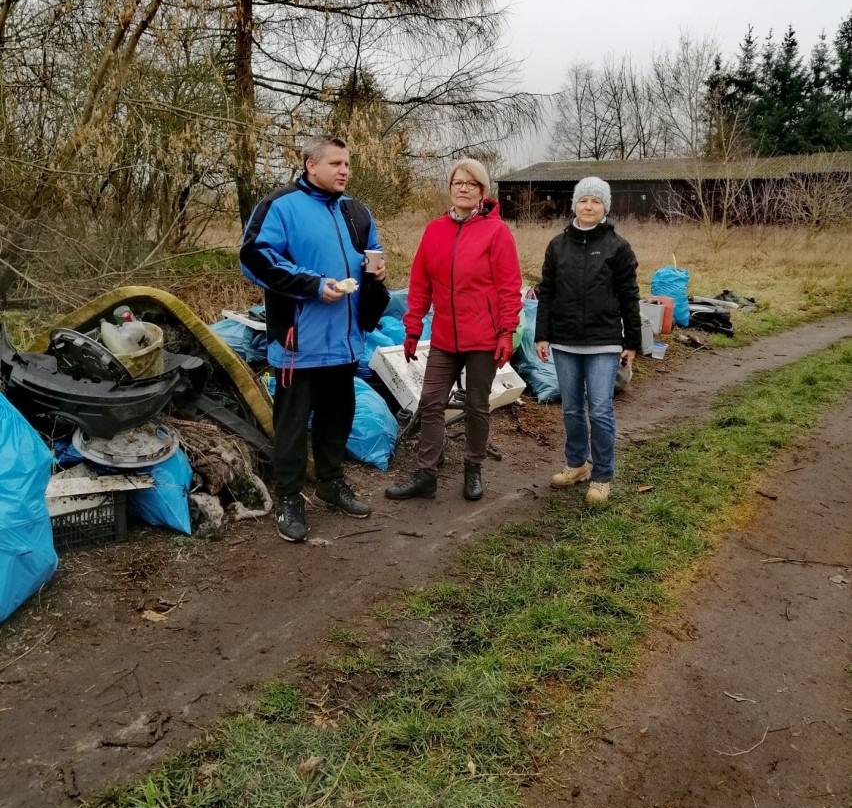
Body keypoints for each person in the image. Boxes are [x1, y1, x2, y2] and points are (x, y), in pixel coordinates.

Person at [240, 135, 386, 542]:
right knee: (291, 424)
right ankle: (289, 497)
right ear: (311, 165)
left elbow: (371, 251)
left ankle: (331, 482)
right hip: (297, 342)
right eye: (336, 163)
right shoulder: (280, 206)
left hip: (344, 339)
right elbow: (255, 258)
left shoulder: (356, 211)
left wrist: (375, 269)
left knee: (337, 417)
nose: (345, 171)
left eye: (348, 164)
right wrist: (313, 285)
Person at [385, 158, 522, 503]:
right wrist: (413, 327)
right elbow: (419, 284)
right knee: (431, 402)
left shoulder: (496, 232)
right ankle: (426, 474)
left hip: (482, 338)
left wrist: (506, 332)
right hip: (445, 336)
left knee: (477, 405)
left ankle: (473, 469)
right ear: (450, 188)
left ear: (482, 192)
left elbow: (509, 287)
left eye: (471, 184)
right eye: (457, 182)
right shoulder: (435, 230)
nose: (463, 188)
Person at [534, 176, 641, 506]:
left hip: (604, 342)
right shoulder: (557, 246)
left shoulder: (618, 248)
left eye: (596, 201)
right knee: (570, 409)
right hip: (564, 341)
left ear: (605, 207)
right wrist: (542, 334)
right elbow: (547, 292)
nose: (589, 206)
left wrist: (632, 342)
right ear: (574, 205)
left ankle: (603, 476)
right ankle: (577, 464)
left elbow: (629, 296)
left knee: (599, 409)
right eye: (584, 200)